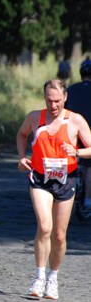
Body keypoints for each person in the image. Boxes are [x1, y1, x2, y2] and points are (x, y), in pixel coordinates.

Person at [17, 79, 91, 300]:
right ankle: (39, 277)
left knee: (59, 235)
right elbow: (22, 134)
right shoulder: (34, 118)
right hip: (40, 178)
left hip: (66, 180)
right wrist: (22, 157)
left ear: (65, 97)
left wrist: (76, 151)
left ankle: (53, 278)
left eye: (57, 100)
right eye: (49, 100)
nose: (53, 105)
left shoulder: (75, 121)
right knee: (45, 226)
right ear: (44, 98)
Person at [66, 57, 91, 210]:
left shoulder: (71, 89)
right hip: (89, 134)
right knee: (89, 166)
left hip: (72, 131)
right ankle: (88, 199)